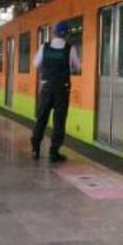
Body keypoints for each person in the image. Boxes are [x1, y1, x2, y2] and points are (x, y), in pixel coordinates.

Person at [31, 21, 81, 162]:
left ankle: (35, 149)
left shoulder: (44, 47)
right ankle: (54, 152)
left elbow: (36, 64)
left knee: (41, 118)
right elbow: (77, 67)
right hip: (62, 89)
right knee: (59, 121)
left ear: (53, 33)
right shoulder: (69, 49)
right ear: (67, 35)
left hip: (46, 87)